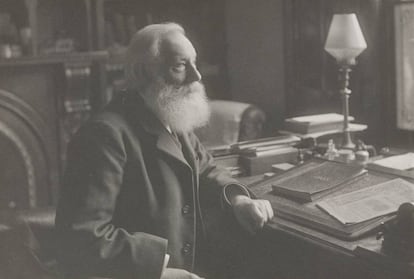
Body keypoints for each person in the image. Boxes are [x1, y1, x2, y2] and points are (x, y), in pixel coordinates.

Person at [55, 22, 273, 279]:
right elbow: (81, 238)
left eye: (194, 63)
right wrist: (160, 271)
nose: (196, 76)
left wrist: (238, 198)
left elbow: (205, 168)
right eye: (180, 66)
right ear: (142, 73)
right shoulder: (104, 135)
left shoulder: (167, 115)